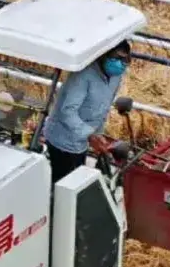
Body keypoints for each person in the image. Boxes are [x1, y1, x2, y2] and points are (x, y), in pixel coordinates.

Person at [43, 41, 131, 182]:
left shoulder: (115, 77)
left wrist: (98, 135)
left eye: (124, 60)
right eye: (116, 58)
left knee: (77, 180)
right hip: (62, 140)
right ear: (103, 56)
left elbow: (104, 107)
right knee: (62, 184)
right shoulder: (83, 76)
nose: (120, 64)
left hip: (83, 141)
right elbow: (67, 111)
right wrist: (90, 135)